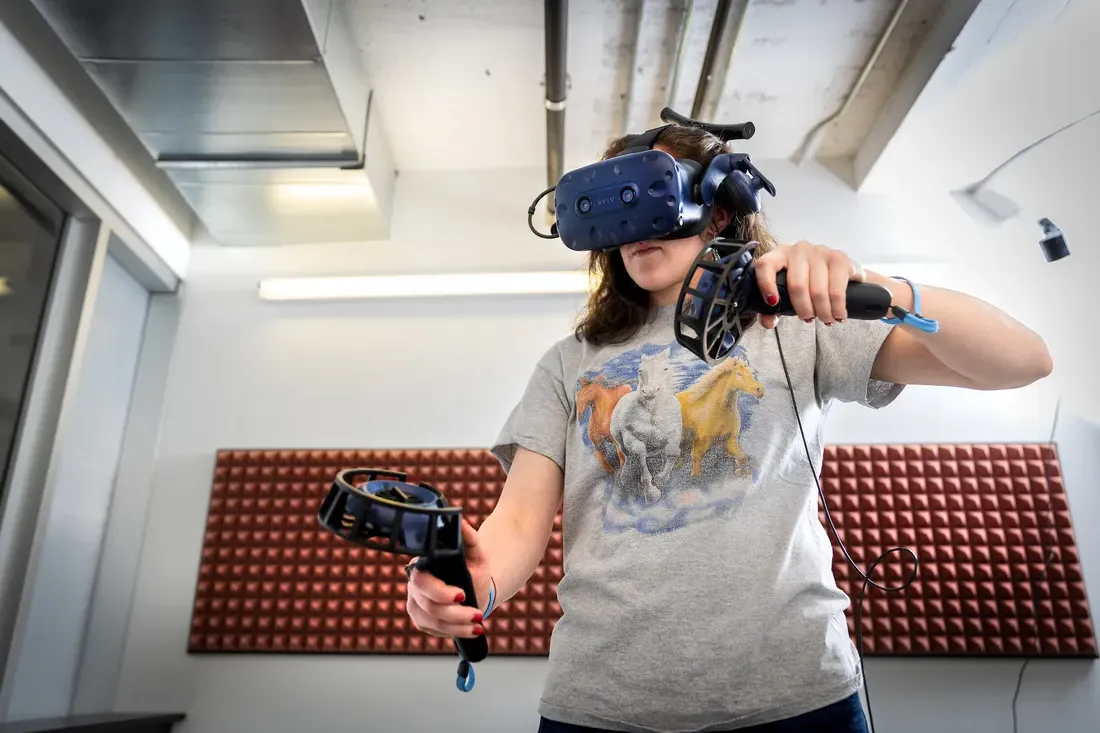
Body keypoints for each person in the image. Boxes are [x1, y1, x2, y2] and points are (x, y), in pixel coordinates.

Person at [404, 123, 1054, 732]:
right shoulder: (569, 363)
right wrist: (468, 584)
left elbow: (1024, 360)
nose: (634, 228)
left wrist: (874, 281)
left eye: (652, 199)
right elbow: (515, 525)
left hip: (798, 697)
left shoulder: (796, 325)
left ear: (718, 209)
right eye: (614, 209)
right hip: (602, 703)